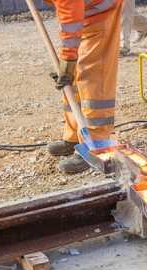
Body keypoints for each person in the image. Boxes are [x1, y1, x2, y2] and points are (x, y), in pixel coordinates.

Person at [47, 0, 123, 174]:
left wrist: (67, 59)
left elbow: (71, 18)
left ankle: (95, 145)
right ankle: (74, 137)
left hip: (101, 12)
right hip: (84, 11)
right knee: (71, 78)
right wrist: (68, 64)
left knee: (93, 78)